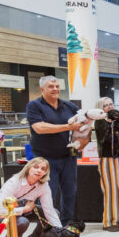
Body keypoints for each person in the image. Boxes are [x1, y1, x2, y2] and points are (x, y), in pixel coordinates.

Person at [26, 75, 84, 226]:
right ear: (42, 89)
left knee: (70, 193)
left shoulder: (69, 106)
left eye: (57, 86)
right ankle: (45, 228)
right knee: (46, 195)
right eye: (51, 86)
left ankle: (66, 225)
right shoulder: (34, 106)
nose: (55, 89)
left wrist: (84, 140)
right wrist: (68, 127)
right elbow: (39, 128)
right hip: (45, 159)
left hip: (68, 157)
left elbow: (85, 123)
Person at [0, 157, 61, 237]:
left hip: (22, 210)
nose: (39, 170)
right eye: (36, 167)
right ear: (28, 168)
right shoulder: (14, 181)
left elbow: (49, 211)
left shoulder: (43, 186)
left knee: (55, 213)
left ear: (45, 173)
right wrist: (24, 209)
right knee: (22, 222)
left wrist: (60, 233)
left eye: (43, 169)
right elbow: (0, 210)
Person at [94, 97, 119, 231]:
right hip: (108, 158)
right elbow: (107, 139)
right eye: (106, 105)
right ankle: (110, 221)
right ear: (100, 108)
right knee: (111, 189)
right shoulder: (100, 122)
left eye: (111, 104)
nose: (110, 107)